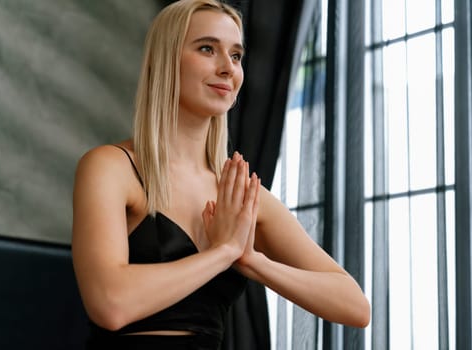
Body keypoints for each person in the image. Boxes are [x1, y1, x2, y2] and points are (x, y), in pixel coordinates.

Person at [71, 0, 370, 349]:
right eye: (207, 48)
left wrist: (253, 262)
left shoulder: (239, 194)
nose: (228, 68)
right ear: (166, 61)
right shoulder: (111, 167)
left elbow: (355, 306)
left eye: (237, 55)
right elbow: (110, 304)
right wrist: (223, 252)